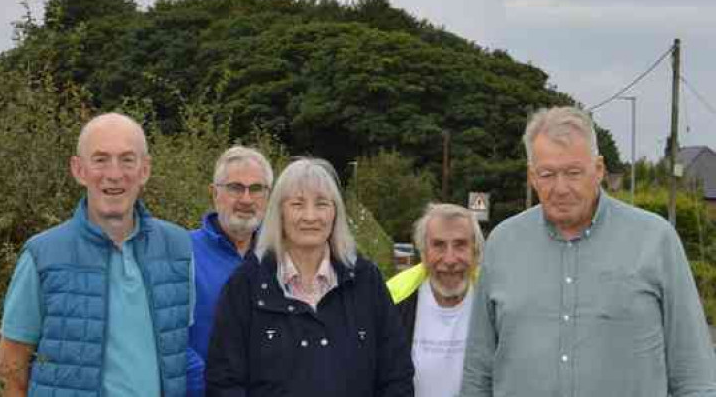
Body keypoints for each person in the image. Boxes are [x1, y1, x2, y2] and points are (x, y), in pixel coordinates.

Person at [460, 106, 716, 397]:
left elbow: (695, 376)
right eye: (547, 174)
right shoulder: (503, 244)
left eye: (573, 172)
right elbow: (477, 374)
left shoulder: (656, 241)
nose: (561, 188)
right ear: (532, 176)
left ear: (599, 170)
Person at [0, 113, 194, 397]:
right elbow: (11, 365)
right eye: (100, 159)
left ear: (145, 170)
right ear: (79, 170)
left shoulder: (179, 248)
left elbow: (182, 350)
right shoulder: (42, 255)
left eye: (127, 159)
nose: (114, 174)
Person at [205, 158, 414, 397]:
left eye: (322, 204)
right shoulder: (245, 284)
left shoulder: (366, 280)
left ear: (335, 213)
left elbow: (396, 374)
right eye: (297, 204)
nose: (310, 216)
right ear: (279, 213)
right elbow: (224, 381)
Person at [187, 146, 274, 396]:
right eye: (235, 187)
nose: (246, 199)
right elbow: (170, 341)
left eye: (256, 189)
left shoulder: (280, 260)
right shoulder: (182, 253)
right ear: (215, 194)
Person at [386, 203, 483, 397]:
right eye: (438, 245)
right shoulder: (391, 299)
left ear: (475, 250)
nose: (449, 260)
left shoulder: (495, 300)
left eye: (460, 245)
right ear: (422, 252)